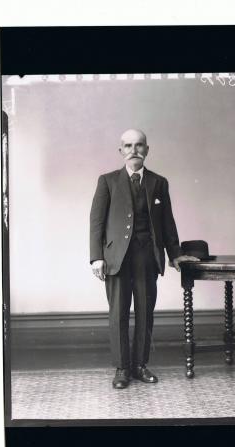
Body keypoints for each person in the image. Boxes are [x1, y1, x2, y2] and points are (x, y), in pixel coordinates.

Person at [89, 129, 198, 389]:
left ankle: (139, 365)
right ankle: (121, 369)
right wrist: (96, 257)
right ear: (121, 151)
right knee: (118, 314)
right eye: (128, 146)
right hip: (116, 258)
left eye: (139, 145)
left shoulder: (159, 182)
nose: (133, 150)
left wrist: (174, 255)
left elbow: (167, 223)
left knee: (145, 313)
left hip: (147, 257)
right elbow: (97, 222)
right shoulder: (108, 181)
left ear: (147, 150)